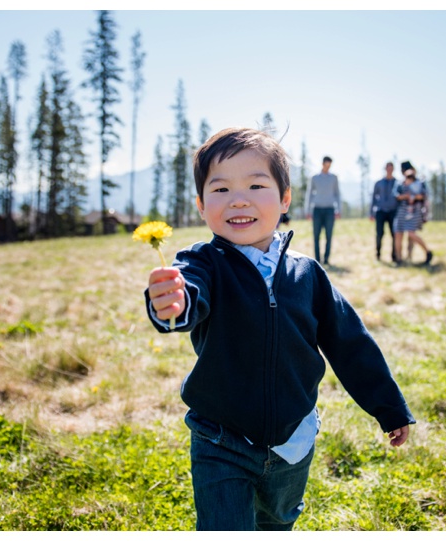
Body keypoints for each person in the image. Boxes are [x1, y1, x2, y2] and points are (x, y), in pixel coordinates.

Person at [144, 127, 415, 531]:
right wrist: (171, 302)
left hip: (294, 440)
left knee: (277, 524)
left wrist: (388, 406)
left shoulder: (307, 274)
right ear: (201, 205)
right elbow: (187, 295)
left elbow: (349, 343)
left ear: (285, 199)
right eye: (220, 190)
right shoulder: (202, 264)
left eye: (256, 185)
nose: (238, 199)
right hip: (221, 440)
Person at [305, 156, 341, 265]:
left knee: (329, 236)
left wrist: (338, 209)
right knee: (316, 236)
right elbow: (309, 194)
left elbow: (337, 194)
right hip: (317, 210)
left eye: (329, 165)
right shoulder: (315, 178)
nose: (328, 167)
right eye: (326, 165)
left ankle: (326, 259)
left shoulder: (334, 178)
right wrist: (308, 210)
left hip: (330, 210)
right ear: (322, 164)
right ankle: (317, 259)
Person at [393, 167, 433, 266]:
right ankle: (398, 259)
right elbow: (396, 195)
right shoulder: (400, 184)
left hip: (414, 212)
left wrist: (414, 197)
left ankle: (427, 252)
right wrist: (405, 196)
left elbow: (424, 196)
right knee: (398, 234)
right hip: (402, 211)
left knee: (411, 234)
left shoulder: (419, 184)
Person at [370, 161, 399, 262]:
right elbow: (374, 198)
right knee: (379, 234)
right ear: (385, 169)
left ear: (393, 169)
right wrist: (371, 213)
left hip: (393, 212)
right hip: (380, 211)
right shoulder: (379, 183)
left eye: (391, 168)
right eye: (388, 168)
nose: (389, 170)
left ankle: (394, 256)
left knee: (394, 234)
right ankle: (378, 254)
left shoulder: (397, 183)